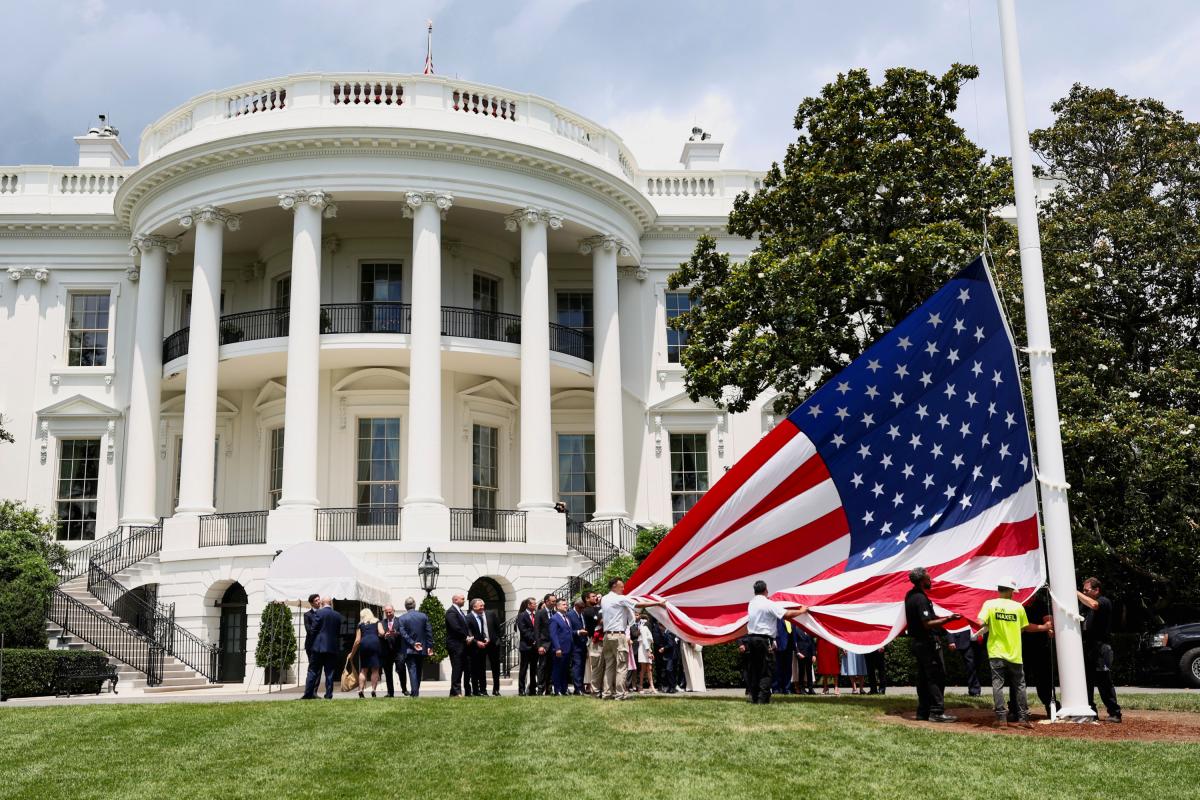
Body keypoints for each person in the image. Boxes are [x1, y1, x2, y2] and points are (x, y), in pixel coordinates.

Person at [975, 576, 1053, 726]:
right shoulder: (1018, 607)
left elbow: (980, 622)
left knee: (998, 684)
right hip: (1015, 653)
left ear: (998, 589)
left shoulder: (989, 604)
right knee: (1020, 685)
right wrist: (1044, 628)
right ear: (1011, 591)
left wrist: (988, 625)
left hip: (996, 652)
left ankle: (1001, 718)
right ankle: (1023, 718)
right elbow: (1025, 628)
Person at [904, 567, 962, 722]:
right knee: (936, 676)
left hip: (918, 643)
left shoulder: (910, 595)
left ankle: (922, 712)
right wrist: (949, 619)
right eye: (929, 579)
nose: (931, 581)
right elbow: (927, 623)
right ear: (923, 581)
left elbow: (929, 618)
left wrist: (943, 623)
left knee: (923, 678)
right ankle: (937, 711)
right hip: (927, 643)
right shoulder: (920, 598)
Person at [598, 577, 665, 700]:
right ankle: (620, 694)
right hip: (619, 635)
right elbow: (639, 604)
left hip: (607, 636)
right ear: (614, 586)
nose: (623, 588)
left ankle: (606, 693)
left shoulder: (604, 599)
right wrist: (657, 603)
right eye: (621, 586)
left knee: (609, 666)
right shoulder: (620, 599)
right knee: (621, 666)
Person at [745, 580, 809, 704]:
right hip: (763, 640)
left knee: (755, 669)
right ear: (765, 591)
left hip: (751, 639)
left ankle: (754, 696)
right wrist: (802, 610)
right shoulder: (768, 604)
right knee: (767, 669)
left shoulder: (751, 604)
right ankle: (762, 699)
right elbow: (787, 614)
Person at [1078, 577, 1122, 723]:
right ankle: (1091, 712)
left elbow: (1094, 604)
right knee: (1087, 682)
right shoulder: (1084, 606)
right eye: (1083, 590)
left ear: (1096, 590)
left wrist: (1075, 592)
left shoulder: (1103, 601)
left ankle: (1114, 713)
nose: (1084, 592)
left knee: (1104, 681)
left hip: (1101, 647)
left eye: (1086, 590)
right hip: (1087, 646)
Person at [302, 595, 342, 700]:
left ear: (323, 603)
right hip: (332, 648)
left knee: (312, 671)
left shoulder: (318, 613)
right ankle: (328, 695)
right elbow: (338, 632)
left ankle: (308, 694)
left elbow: (313, 630)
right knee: (330, 672)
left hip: (318, 647)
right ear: (331, 603)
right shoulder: (337, 615)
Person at [398, 596, 433, 697]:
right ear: (415, 605)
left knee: (412, 670)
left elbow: (403, 634)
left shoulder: (402, 618)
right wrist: (430, 646)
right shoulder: (423, 616)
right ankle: (415, 691)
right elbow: (429, 632)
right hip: (421, 648)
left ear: (405, 607)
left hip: (409, 649)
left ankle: (415, 693)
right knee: (418, 670)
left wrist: (413, 643)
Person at [467, 598, 501, 696]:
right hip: (480, 646)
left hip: (493, 645)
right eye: (480, 605)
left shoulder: (491, 614)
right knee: (480, 668)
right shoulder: (472, 617)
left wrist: (497, 640)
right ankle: (482, 689)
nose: (483, 607)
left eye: (483, 605)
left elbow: (498, 629)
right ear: (474, 607)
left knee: (496, 668)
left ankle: (496, 689)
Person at [348, 607, 384, 698]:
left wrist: (352, 653)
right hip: (375, 643)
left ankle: (360, 690)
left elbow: (357, 640)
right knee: (375, 669)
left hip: (364, 644)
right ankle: (373, 690)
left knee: (364, 669)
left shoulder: (360, 624)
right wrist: (378, 634)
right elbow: (382, 632)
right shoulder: (377, 621)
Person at [444, 593, 473, 697]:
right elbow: (455, 628)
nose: (464, 601)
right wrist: (466, 637)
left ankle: (453, 692)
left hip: (462, 645)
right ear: (455, 600)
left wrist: (470, 636)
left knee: (461, 668)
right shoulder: (451, 612)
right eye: (462, 599)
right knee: (457, 668)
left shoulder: (460, 612)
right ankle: (456, 691)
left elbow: (465, 626)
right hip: (455, 645)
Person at [947, 627, 984, 696]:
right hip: (964, 640)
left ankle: (976, 689)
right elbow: (951, 624)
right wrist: (951, 640)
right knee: (970, 665)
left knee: (978, 664)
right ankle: (974, 691)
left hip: (979, 640)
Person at [379, 604, 407, 698]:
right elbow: (379, 634)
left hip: (398, 651)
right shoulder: (382, 622)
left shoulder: (400, 621)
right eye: (386, 612)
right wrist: (383, 635)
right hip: (387, 651)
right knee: (388, 673)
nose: (388, 613)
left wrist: (396, 633)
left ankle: (404, 689)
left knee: (401, 669)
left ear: (394, 611)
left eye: (390, 612)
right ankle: (390, 692)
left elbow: (404, 633)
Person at [549, 598, 575, 695]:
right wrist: (557, 648)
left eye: (566, 604)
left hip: (568, 648)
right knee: (557, 669)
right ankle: (558, 690)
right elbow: (553, 635)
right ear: (558, 606)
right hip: (560, 649)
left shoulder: (567, 618)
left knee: (565, 670)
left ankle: (564, 689)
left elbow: (569, 632)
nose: (566, 606)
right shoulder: (554, 618)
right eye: (564, 604)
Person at [515, 597, 539, 696]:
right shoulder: (522, 616)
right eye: (533, 604)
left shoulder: (536, 615)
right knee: (523, 669)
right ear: (529, 605)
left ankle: (532, 689)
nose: (535, 605)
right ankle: (521, 690)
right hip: (526, 646)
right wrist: (533, 640)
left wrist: (537, 641)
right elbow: (523, 630)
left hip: (535, 647)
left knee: (533, 669)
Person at [651, 616, 679, 693]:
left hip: (671, 655)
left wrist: (663, 648)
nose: (660, 629)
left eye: (660, 626)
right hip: (669, 655)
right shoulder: (667, 632)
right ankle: (671, 687)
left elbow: (670, 644)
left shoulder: (668, 633)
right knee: (668, 671)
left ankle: (672, 686)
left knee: (669, 670)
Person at [581, 590, 602, 694]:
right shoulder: (587, 610)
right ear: (587, 599)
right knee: (594, 665)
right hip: (594, 640)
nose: (596, 598)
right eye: (593, 596)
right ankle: (593, 687)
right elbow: (600, 619)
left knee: (601, 665)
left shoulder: (597, 608)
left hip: (600, 640)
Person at [535, 594, 555, 695]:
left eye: (555, 601)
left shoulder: (555, 613)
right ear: (547, 602)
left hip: (553, 645)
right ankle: (540, 688)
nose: (554, 603)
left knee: (551, 667)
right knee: (542, 667)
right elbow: (537, 630)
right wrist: (540, 646)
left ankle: (549, 688)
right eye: (552, 601)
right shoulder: (540, 613)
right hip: (544, 644)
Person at [568, 599, 588, 695]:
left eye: (583, 608)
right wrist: (578, 632)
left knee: (582, 667)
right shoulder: (570, 615)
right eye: (580, 608)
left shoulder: (582, 614)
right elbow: (568, 631)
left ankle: (581, 687)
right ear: (576, 606)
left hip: (583, 644)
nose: (582, 609)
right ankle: (577, 688)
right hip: (575, 645)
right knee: (577, 666)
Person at [773, 617, 795, 695]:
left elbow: (793, 632)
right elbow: (773, 630)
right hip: (779, 645)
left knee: (788, 668)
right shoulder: (777, 618)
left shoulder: (791, 619)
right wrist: (774, 640)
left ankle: (787, 688)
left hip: (789, 646)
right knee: (778, 668)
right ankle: (776, 688)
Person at [635, 613, 656, 693]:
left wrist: (650, 651)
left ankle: (652, 686)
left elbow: (648, 641)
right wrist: (648, 651)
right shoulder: (644, 628)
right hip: (643, 649)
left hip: (647, 648)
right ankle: (640, 686)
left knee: (649, 669)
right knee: (643, 669)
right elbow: (644, 640)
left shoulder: (646, 628)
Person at [793, 626, 816, 695]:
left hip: (809, 654)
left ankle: (810, 689)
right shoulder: (796, 629)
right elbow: (794, 642)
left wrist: (814, 654)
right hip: (801, 654)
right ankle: (801, 688)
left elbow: (812, 643)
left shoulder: (809, 630)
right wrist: (798, 652)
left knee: (809, 672)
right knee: (801, 672)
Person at [303, 594, 321, 666]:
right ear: (311, 603)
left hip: (322, 645)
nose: (318, 602)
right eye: (316, 600)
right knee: (313, 667)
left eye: (319, 599)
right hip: (311, 645)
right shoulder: (307, 615)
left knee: (320, 667)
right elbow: (309, 630)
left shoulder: (324, 613)